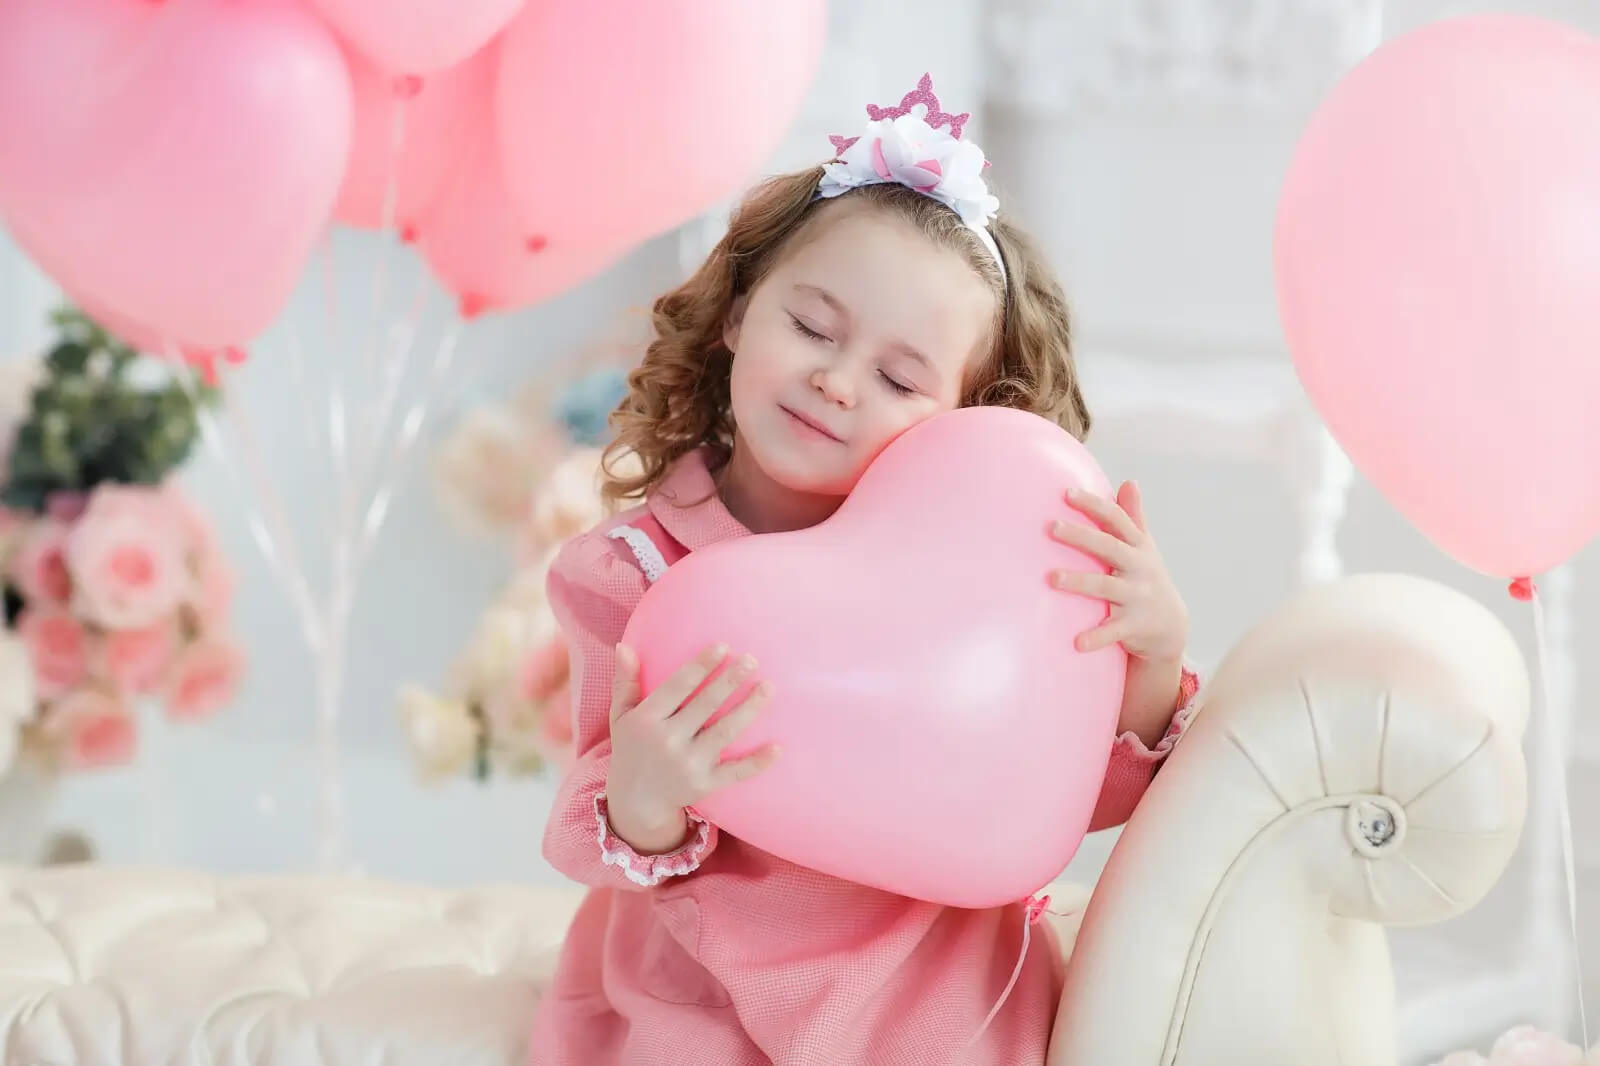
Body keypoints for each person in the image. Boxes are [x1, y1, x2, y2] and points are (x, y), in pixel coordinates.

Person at [529, 75, 1202, 1065]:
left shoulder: (988, 578)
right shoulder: (631, 574)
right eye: (810, 327)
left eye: (899, 378)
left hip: (938, 996)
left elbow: (1062, 800)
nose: (834, 382)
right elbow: (593, 828)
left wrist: (1148, 651)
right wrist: (647, 791)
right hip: (706, 996)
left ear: (968, 412)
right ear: (737, 313)